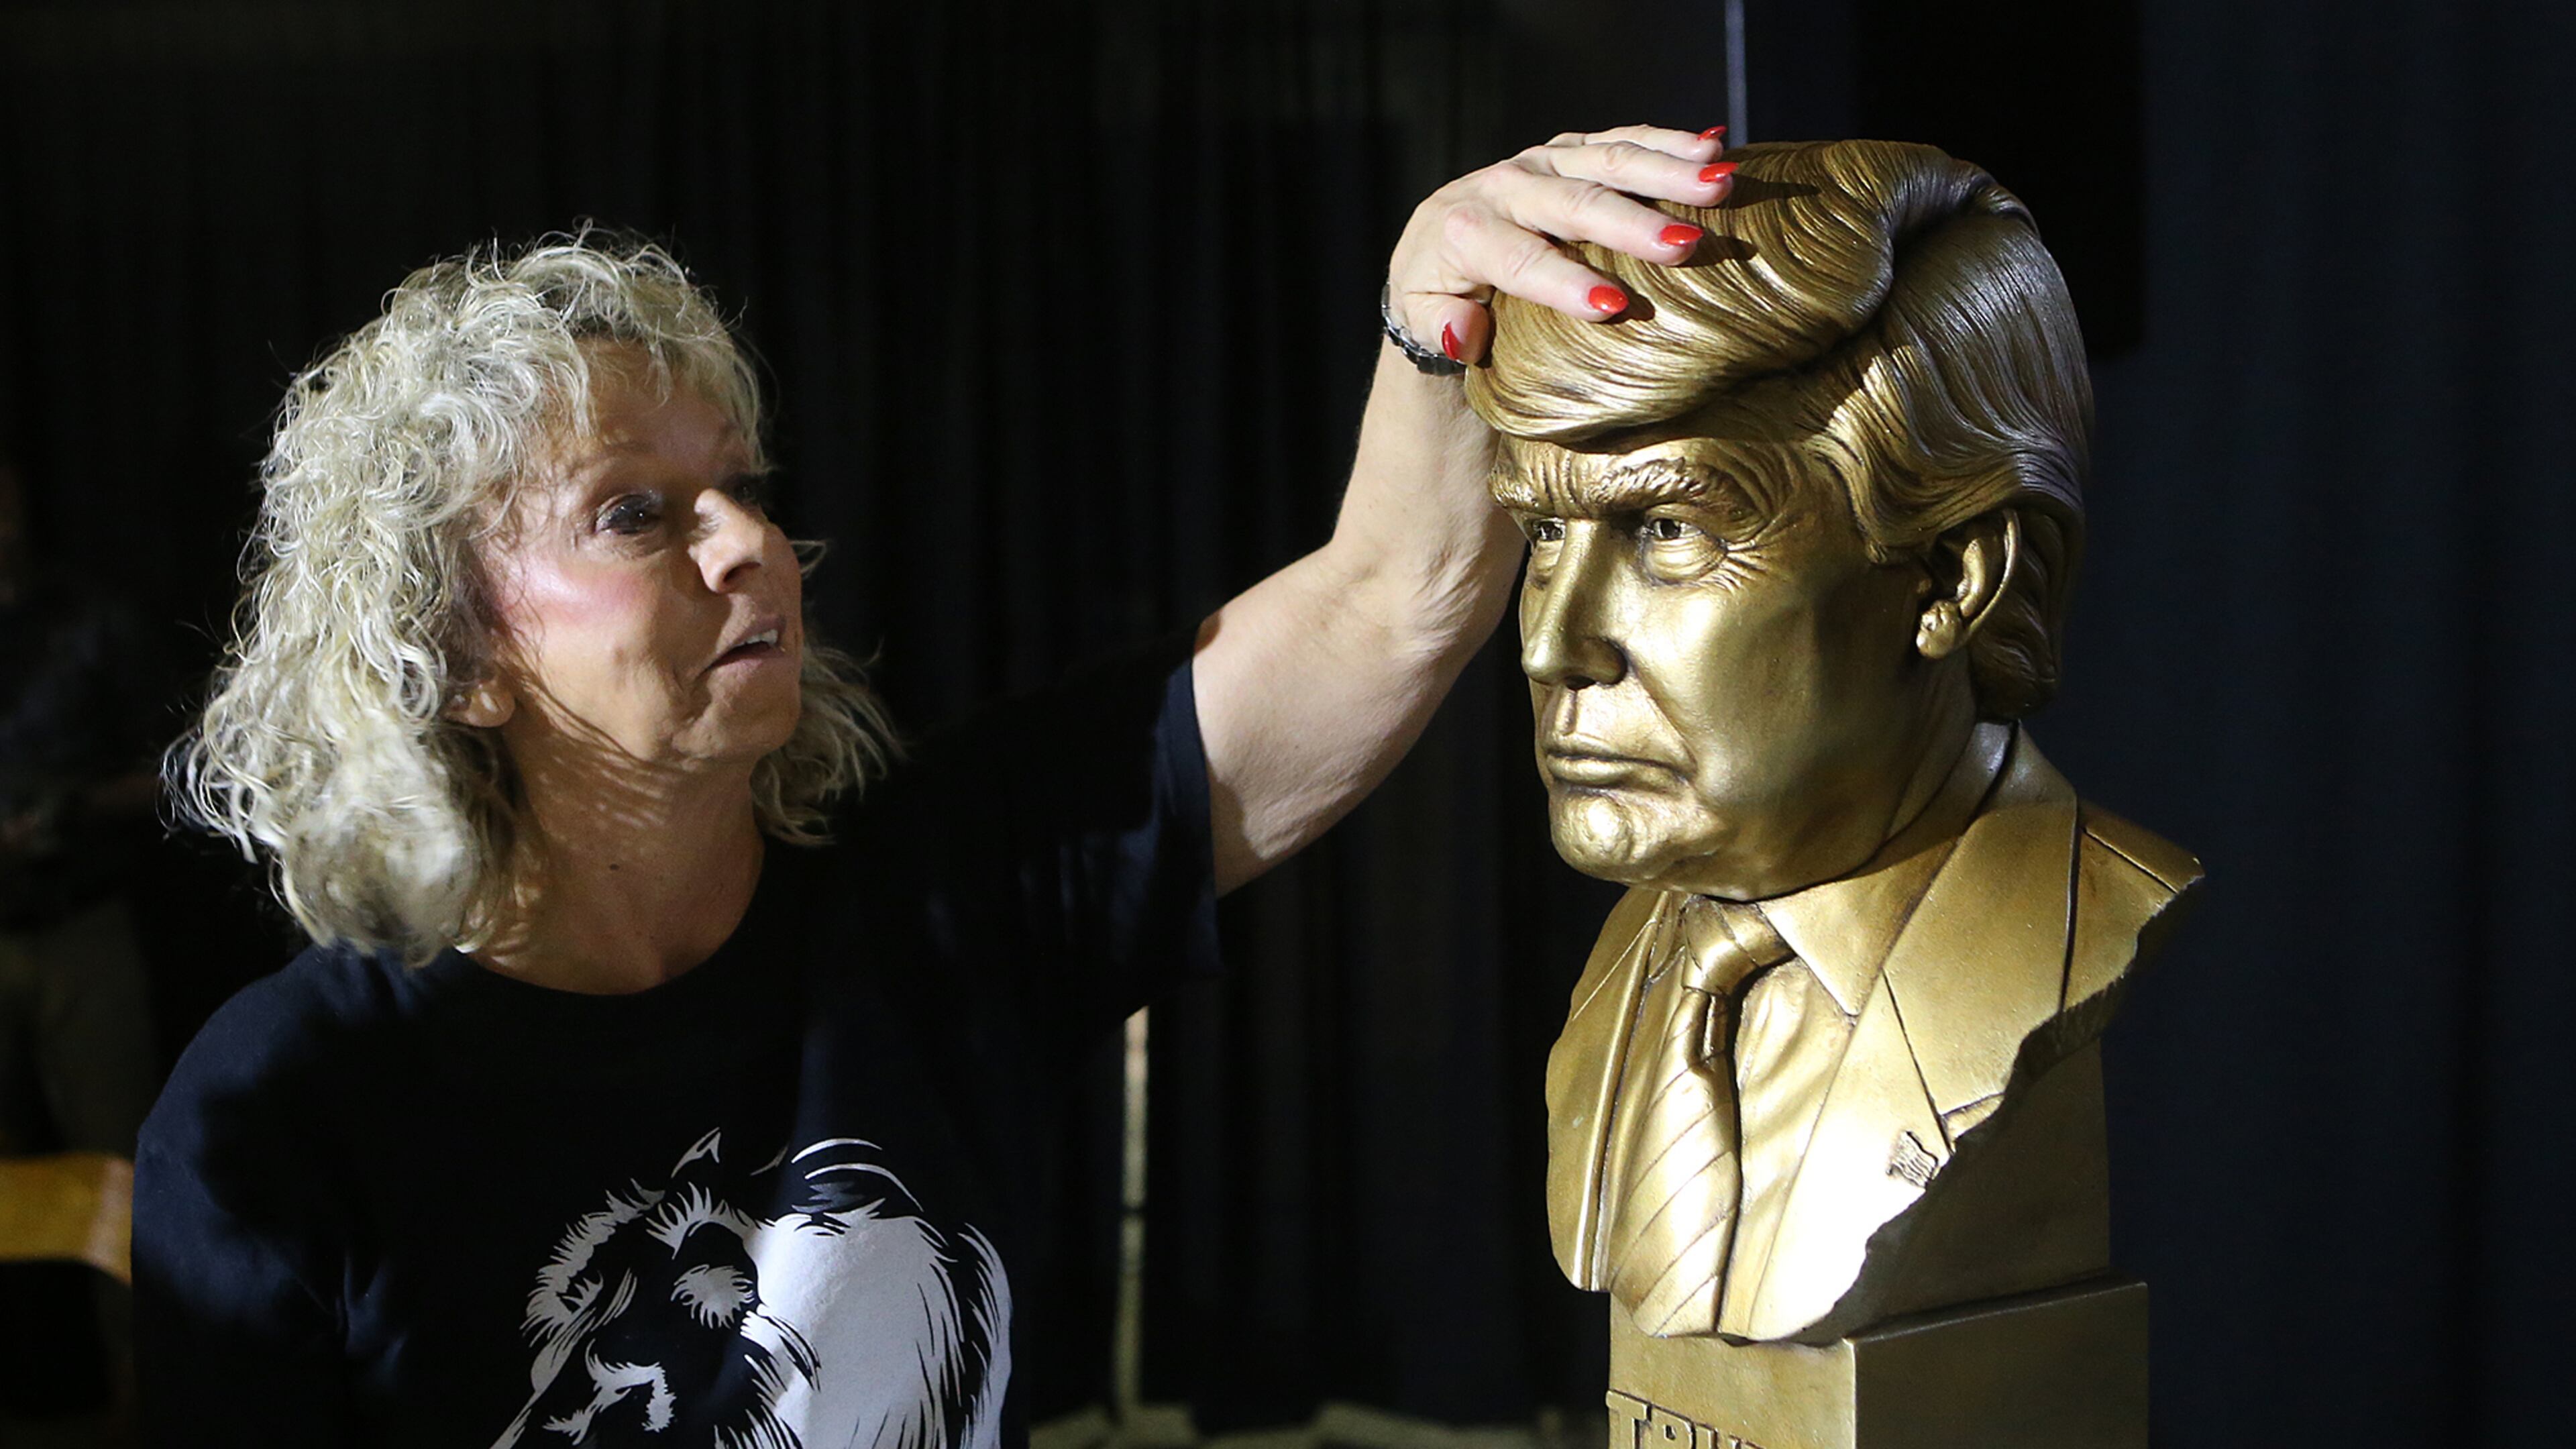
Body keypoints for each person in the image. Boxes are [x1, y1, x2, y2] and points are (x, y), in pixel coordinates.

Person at [133, 125, 1737, 1446]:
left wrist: (1437, 313)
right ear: (455, 654)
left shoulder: (944, 892)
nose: (752, 543)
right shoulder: (279, 1111)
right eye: (635, 512)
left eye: (739, 489)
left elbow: (1386, 607)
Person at [1461, 139, 2202, 1350]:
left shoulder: (2075, 927)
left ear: (1953, 577)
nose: (1553, 644)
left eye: (1666, 530)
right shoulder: (1638, 962)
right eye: (1543, 533)